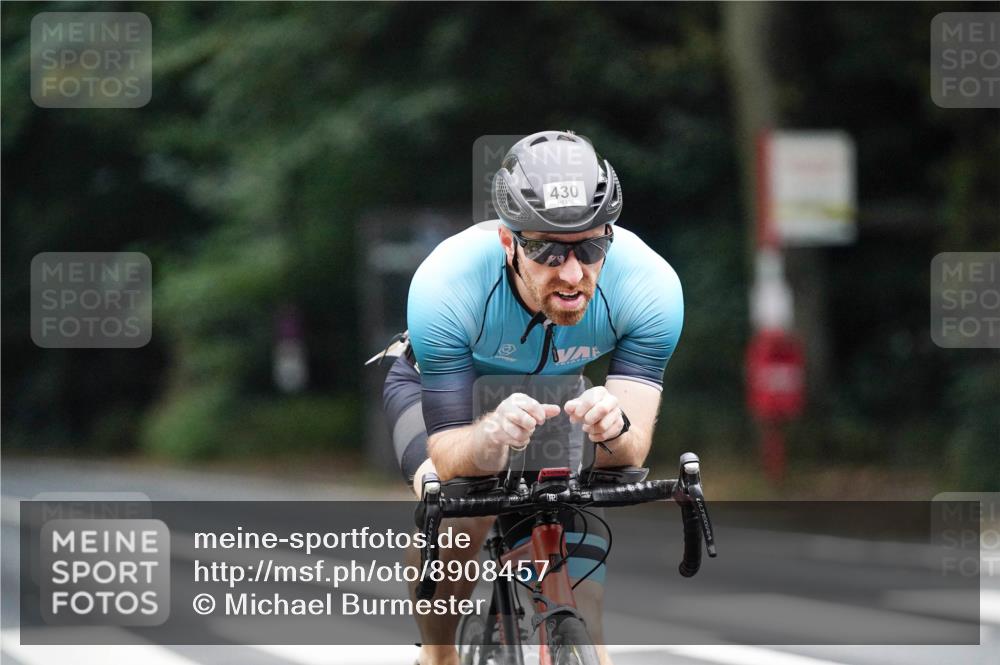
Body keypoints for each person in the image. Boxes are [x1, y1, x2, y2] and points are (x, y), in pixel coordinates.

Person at [379, 130, 683, 665]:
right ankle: (439, 654)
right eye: (546, 249)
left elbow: (628, 455)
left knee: (584, 602)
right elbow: (450, 452)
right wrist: (489, 435)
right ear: (508, 242)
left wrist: (612, 427)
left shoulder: (649, 287)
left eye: (591, 247)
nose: (572, 273)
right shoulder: (446, 284)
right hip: (443, 393)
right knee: (457, 509)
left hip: (554, 397)